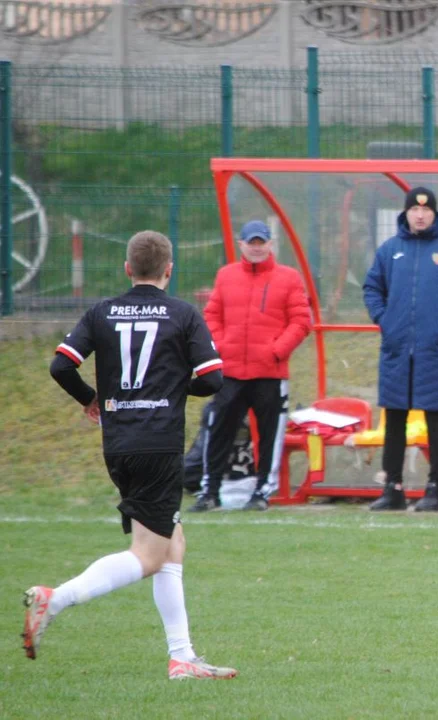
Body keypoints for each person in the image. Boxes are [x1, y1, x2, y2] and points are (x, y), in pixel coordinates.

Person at [27, 230, 236, 680]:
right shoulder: (182, 313)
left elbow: (62, 364)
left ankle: (182, 657)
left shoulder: (102, 311)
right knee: (150, 554)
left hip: (119, 443)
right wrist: (179, 387)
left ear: (127, 268)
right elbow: (214, 378)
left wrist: (90, 398)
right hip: (159, 444)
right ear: (169, 269)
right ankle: (55, 598)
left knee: (173, 544)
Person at [363, 187, 438, 512]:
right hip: (396, 348)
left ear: (434, 214)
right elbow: (372, 287)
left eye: (426, 210)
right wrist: (383, 318)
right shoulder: (390, 250)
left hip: (434, 348)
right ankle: (393, 488)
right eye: (414, 210)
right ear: (405, 214)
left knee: (436, 416)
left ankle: (435, 488)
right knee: (395, 416)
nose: (420, 215)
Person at [191, 220, 312, 512]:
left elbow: (301, 321)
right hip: (229, 372)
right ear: (241, 244)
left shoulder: (289, 278)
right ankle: (210, 490)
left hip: (269, 373)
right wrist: (220, 347)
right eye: (251, 243)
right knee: (218, 429)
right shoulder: (226, 276)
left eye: (261, 242)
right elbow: (211, 316)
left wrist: (276, 350)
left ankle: (262, 491)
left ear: (270, 244)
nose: (256, 248)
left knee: (270, 434)